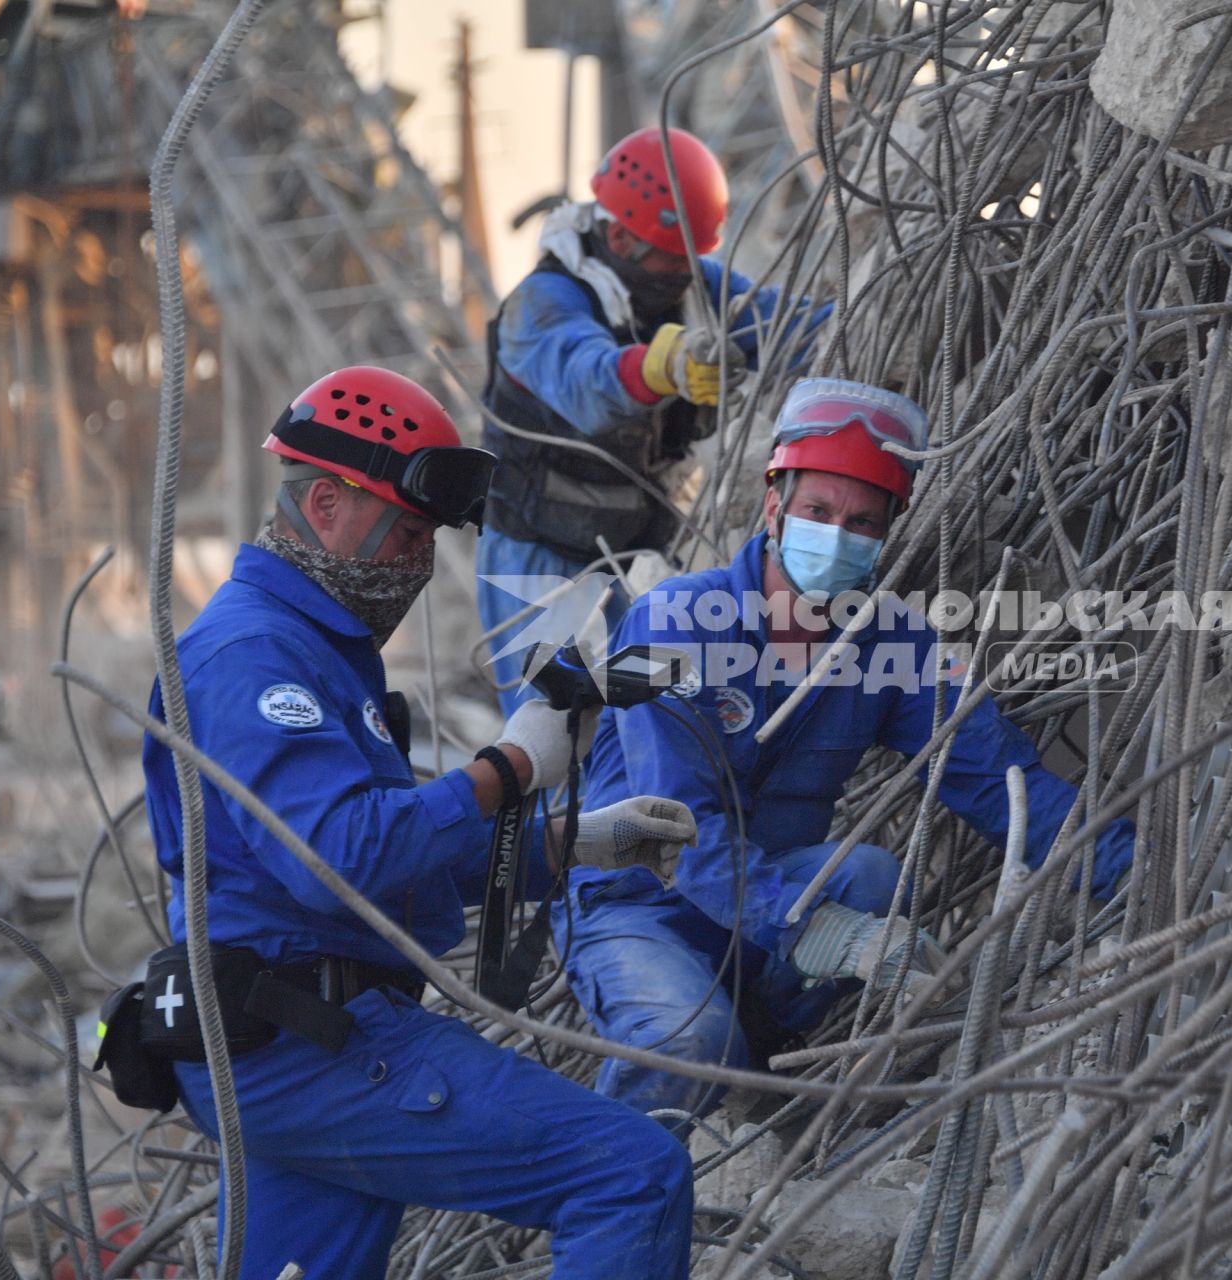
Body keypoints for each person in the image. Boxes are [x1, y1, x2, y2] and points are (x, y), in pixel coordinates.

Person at [140, 366, 700, 1279]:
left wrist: (571, 841)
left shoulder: (313, 647)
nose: (420, 558)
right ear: (325, 503)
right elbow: (344, 856)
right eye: (407, 531)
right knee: (632, 1174)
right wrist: (512, 766)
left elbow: (396, 851)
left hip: (282, 1044)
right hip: (310, 1046)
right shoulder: (254, 658)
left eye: (429, 536)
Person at [557, 379, 1138, 1121]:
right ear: (774, 506)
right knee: (688, 1040)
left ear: (887, 536)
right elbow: (672, 829)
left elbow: (999, 778)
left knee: (869, 876)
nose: (837, 536)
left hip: (759, 911)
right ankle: (618, 1174)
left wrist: (1124, 871)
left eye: (862, 522)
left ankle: (761, 1072)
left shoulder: (891, 645)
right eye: (817, 512)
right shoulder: (672, 622)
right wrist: (809, 928)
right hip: (635, 903)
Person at [475, 126, 829, 714]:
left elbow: (788, 329)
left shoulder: (694, 286)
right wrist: (662, 367)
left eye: (693, 260)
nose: (683, 274)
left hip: (642, 558)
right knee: (554, 734)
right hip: (541, 562)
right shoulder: (542, 304)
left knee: (654, 722)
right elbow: (585, 381)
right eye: (671, 259)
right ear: (619, 235)